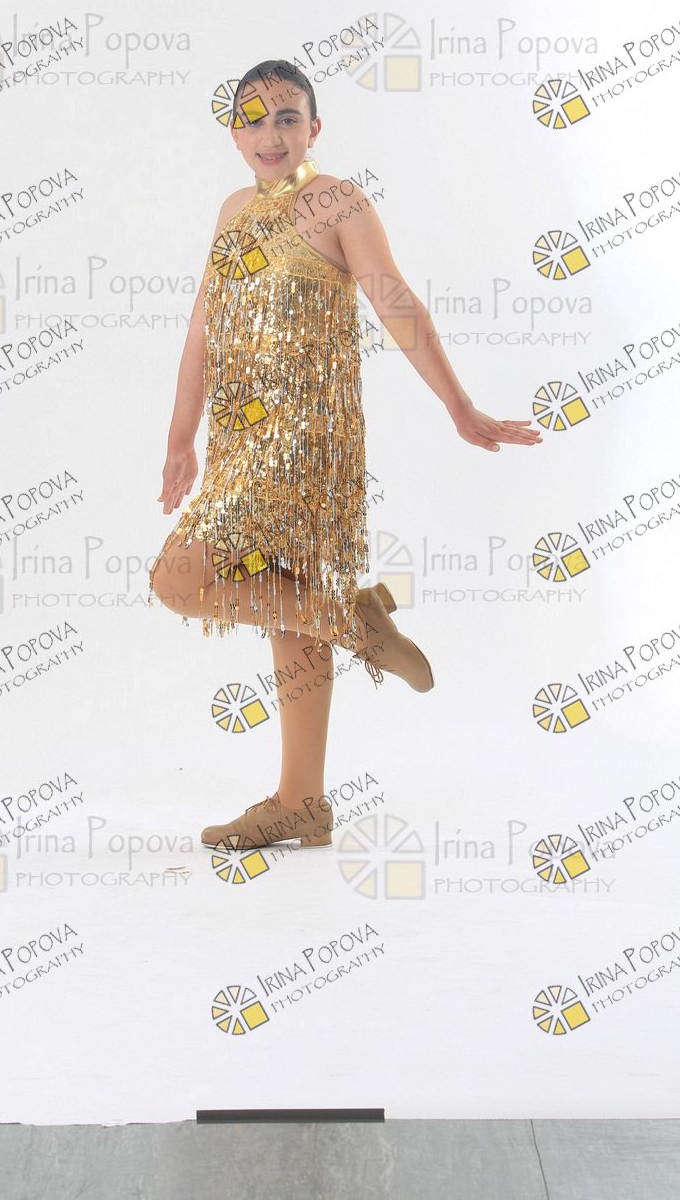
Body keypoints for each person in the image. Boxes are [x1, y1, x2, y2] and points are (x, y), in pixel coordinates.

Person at [147, 59, 541, 853]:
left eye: (287, 117)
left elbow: (393, 299)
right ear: (233, 133)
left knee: (179, 579)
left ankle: (355, 622)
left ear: (314, 129)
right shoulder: (231, 211)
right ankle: (302, 801)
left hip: (306, 440)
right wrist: (180, 436)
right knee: (284, 606)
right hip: (238, 439)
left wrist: (459, 405)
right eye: (252, 119)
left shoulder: (337, 201)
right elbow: (202, 327)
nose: (270, 134)